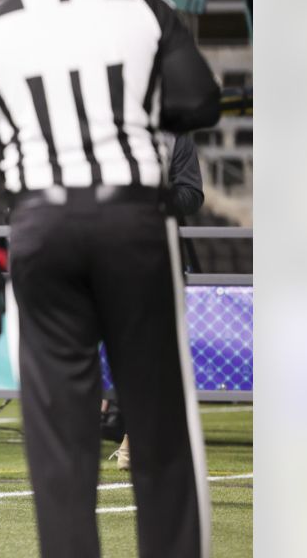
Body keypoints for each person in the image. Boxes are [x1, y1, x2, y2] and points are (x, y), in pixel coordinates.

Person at [0, 0, 221, 558]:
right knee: (158, 427)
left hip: (42, 225)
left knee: (61, 441)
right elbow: (202, 104)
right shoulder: (146, 7)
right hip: (133, 219)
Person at [109, 131, 206, 470]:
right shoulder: (100, 119)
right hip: (96, 249)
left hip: (154, 255)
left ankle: (134, 440)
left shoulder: (175, 135)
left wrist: (151, 201)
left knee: (152, 352)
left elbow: (192, 194)